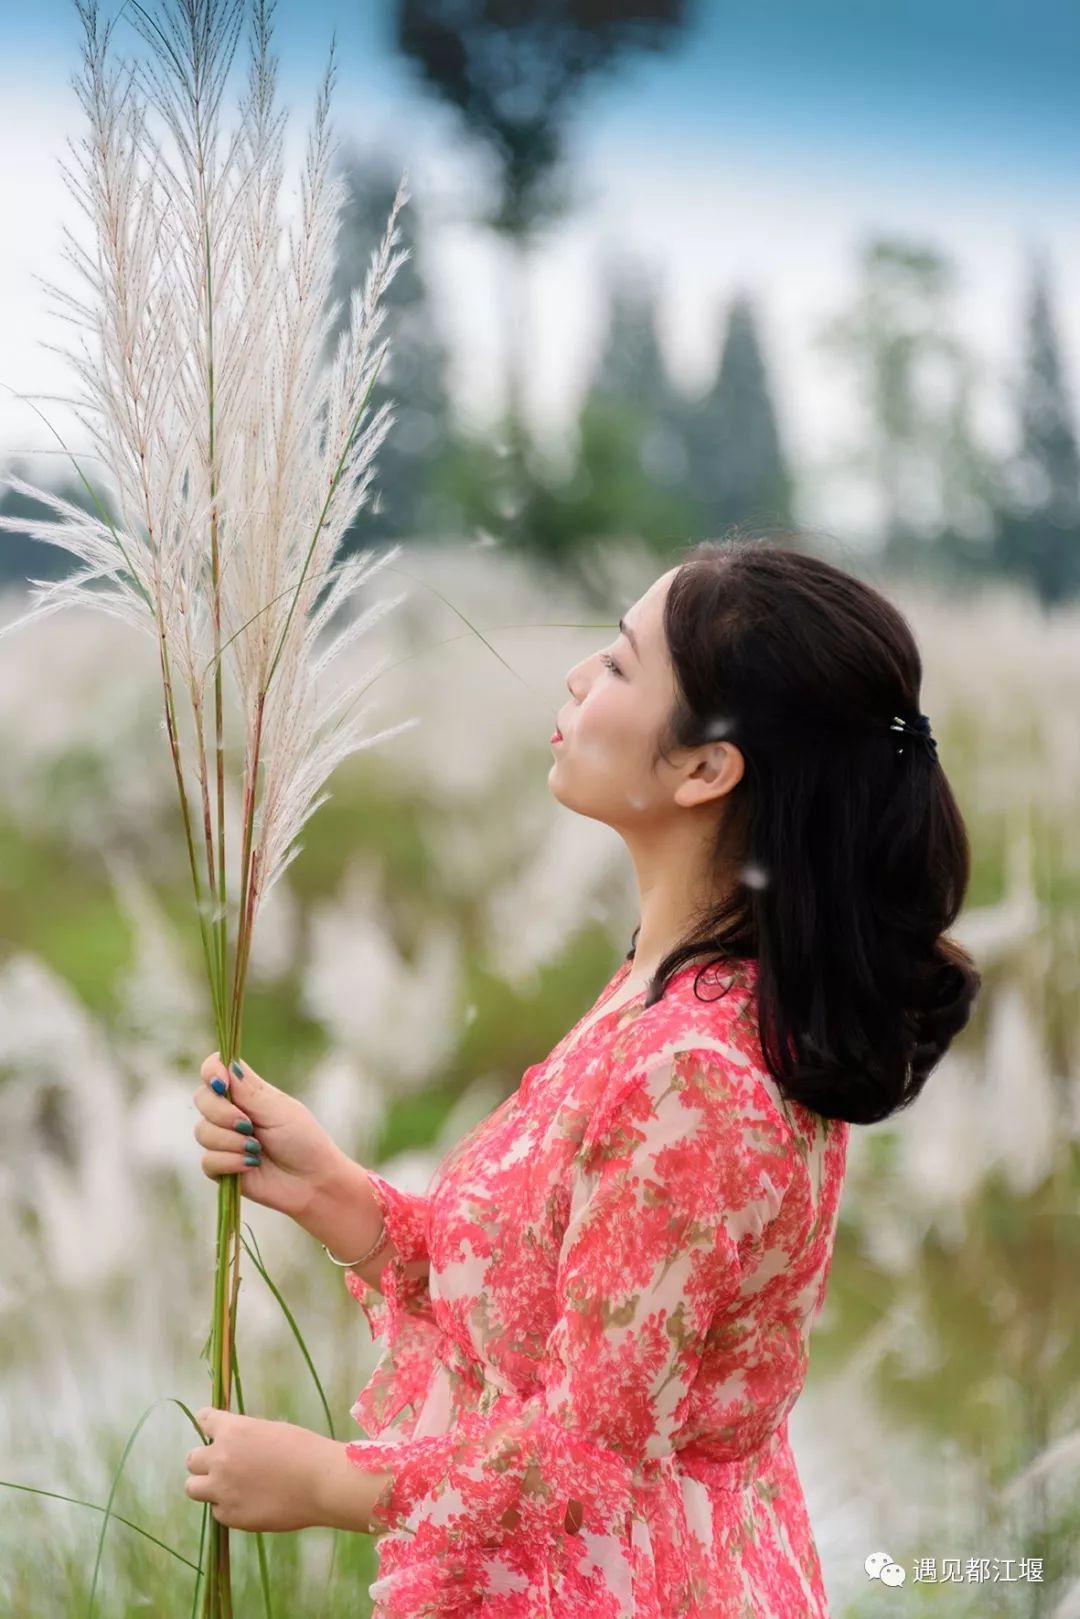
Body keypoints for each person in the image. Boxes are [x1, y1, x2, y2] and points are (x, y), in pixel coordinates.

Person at [185, 535, 981, 1616]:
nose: (576, 677)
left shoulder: (696, 1074)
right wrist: (338, 1195)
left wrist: (323, 1478)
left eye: (616, 660)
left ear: (706, 765)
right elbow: (558, 1298)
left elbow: (587, 1449)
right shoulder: (671, 991)